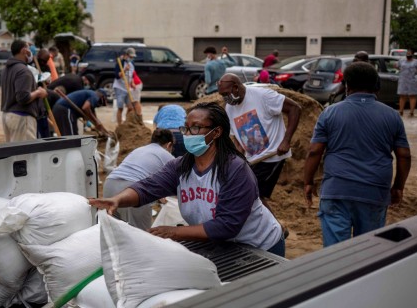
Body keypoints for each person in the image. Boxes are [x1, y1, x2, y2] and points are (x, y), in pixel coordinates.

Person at [89, 102, 285, 257]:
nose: (188, 135)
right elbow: (148, 188)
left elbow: (227, 225)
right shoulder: (181, 166)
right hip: (225, 247)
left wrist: (174, 232)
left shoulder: (235, 169)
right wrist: (118, 199)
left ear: (216, 132)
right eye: (186, 128)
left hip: (260, 247)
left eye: (196, 128)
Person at [303, 62, 411, 247]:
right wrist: (398, 187)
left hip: (337, 190)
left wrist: (307, 182)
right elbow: (404, 156)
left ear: (347, 86)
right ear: (377, 87)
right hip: (375, 191)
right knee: (368, 252)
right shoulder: (392, 116)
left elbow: (314, 151)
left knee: (335, 254)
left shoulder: (330, 113)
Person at [218, 73, 301, 215]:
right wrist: (239, 160)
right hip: (253, 159)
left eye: (226, 94)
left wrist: (286, 140)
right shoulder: (229, 109)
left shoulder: (263, 96)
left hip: (272, 155)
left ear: (236, 88)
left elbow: (295, 108)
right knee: (248, 193)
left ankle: (276, 229)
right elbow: (238, 139)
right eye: (222, 95)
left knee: (252, 193)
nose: (225, 98)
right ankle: (269, 227)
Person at [103, 129, 175, 231]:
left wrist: (160, 196)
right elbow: (180, 183)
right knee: (141, 236)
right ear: (169, 145)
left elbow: (144, 173)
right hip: (132, 189)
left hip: (110, 183)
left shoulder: (139, 150)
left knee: (115, 234)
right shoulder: (166, 155)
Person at [0, 40, 48, 142]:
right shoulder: (23, 71)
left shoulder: (7, 69)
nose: (31, 52)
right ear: (23, 50)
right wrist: (39, 92)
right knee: (26, 155)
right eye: (29, 49)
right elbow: (23, 97)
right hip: (22, 118)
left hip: (8, 116)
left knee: (15, 154)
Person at [113, 47, 136, 124]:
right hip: (119, 87)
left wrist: (132, 83)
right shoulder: (120, 63)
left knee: (130, 107)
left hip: (127, 88)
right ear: (126, 55)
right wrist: (125, 69)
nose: (131, 58)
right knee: (120, 108)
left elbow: (131, 75)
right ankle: (119, 125)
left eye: (133, 57)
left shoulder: (132, 64)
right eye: (130, 57)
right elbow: (117, 76)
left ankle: (126, 123)